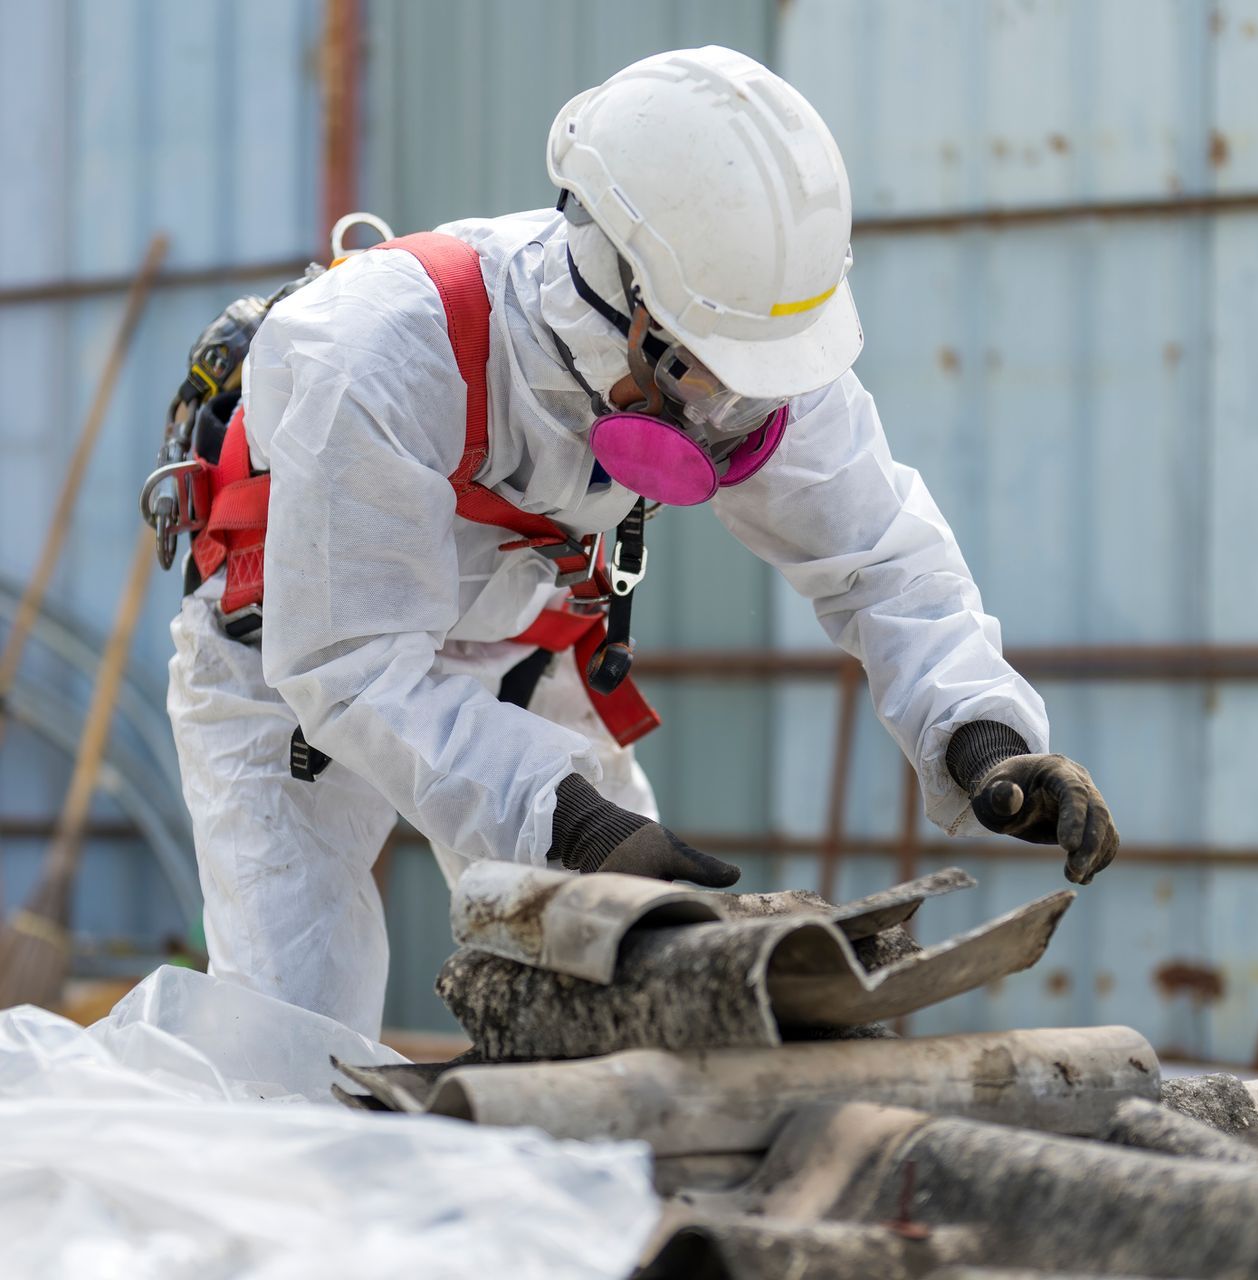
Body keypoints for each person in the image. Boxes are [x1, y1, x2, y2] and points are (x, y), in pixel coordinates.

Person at [164, 46, 1120, 1039]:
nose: (738, 416)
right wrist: (569, 818)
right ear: (617, 295)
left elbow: (882, 558)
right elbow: (352, 667)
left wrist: (981, 735)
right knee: (293, 1028)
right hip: (292, 655)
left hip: (520, 638)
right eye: (711, 377)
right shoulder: (379, 351)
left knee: (643, 982)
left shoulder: (753, 342)